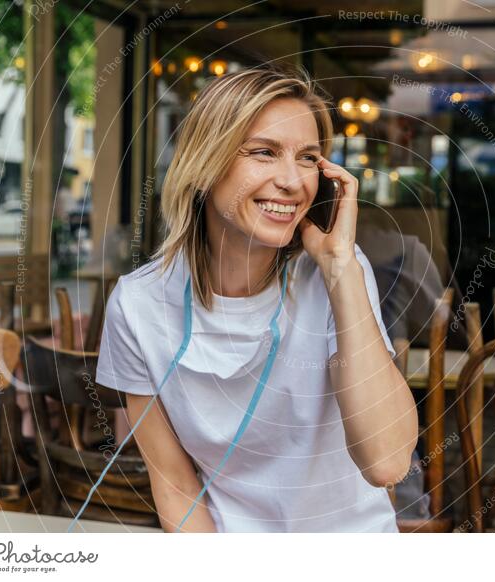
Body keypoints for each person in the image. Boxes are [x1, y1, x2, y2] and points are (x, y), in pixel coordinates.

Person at [95, 66, 418, 533]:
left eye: (308, 158)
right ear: (205, 165)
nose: (292, 181)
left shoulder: (338, 273)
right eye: (264, 153)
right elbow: (178, 489)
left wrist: (340, 270)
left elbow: (387, 463)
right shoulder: (137, 304)